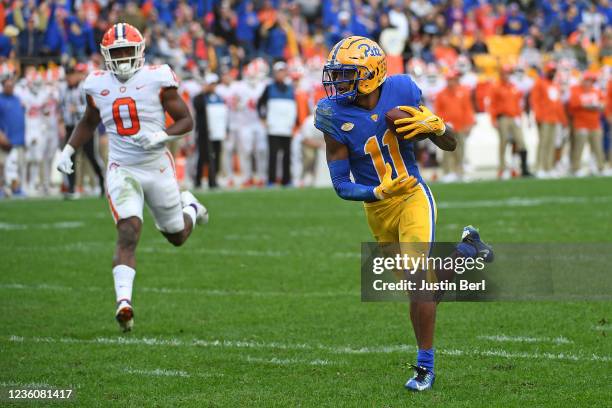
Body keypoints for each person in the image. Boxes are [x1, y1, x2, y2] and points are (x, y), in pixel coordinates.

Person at [314, 36, 493, 392]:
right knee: (423, 288)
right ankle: (468, 250)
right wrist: (376, 191)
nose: (339, 82)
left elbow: (450, 144)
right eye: (337, 74)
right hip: (377, 207)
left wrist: (437, 127)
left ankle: (425, 366)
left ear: (373, 73)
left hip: (412, 195)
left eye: (348, 74)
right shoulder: (332, 113)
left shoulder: (403, 90)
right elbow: (340, 184)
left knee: (417, 284)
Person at [56, 23, 209, 333]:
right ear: (105, 55)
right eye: (117, 52)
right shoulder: (96, 84)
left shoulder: (157, 78)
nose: (123, 57)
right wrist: (69, 149)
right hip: (122, 168)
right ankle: (123, 303)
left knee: (176, 236)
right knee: (129, 230)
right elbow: (89, 120)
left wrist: (161, 136)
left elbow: (186, 120)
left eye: (127, 51)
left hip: (157, 167)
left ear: (140, 52)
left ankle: (190, 206)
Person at [258, 61, 297, 186]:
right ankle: (271, 180)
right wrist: (263, 118)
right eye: (279, 71)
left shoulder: (291, 88)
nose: (281, 74)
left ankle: (286, 180)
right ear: (275, 73)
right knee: (273, 155)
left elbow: (293, 107)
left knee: (287, 155)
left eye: (283, 71)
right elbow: (260, 104)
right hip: (273, 127)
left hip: (287, 127)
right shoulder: (269, 88)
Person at [489, 66, 532, 178]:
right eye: (505, 73)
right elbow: (492, 105)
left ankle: (523, 168)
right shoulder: (496, 87)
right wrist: (493, 119)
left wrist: (519, 117)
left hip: (514, 118)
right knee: (504, 143)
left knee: (520, 142)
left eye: (508, 73)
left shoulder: (514, 87)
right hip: (502, 117)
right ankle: (502, 169)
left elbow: (518, 104)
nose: (506, 76)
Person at [434, 70, 475, 181]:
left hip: (460, 125)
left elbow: (467, 109)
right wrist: (441, 124)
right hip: (446, 127)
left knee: (461, 149)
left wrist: (469, 124)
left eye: (453, 80)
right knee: (446, 149)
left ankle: (460, 171)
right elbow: (438, 111)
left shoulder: (463, 92)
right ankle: (448, 172)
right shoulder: (441, 94)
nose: (452, 82)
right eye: (450, 80)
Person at [530, 62, 567, 178]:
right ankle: (540, 167)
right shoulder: (539, 83)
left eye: (554, 71)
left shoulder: (555, 85)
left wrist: (562, 119)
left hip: (554, 118)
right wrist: (538, 117)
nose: (552, 73)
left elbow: (558, 104)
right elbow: (535, 101)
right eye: (551, 71)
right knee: (543, 143)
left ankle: (549, 167)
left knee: (552, 144)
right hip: (544, 118)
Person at [568, 71, 606, 175]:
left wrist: (598, 106)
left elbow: (603, 104)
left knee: (598, 147)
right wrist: (590, 106)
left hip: (595, 124)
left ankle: (600, 167)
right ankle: (575, 168)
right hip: (581, 124)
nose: (589, 83)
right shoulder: (576, 90)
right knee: (579, 147)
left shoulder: (596, 90)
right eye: (587, 80)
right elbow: (574, 104)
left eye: (591, 81)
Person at [193, 73, 227, 189]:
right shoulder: (200, 98)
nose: (213, 87)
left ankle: (213, 180)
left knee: (216, 156)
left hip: (217, 132)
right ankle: (199, 180)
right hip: (204, 133)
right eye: (210, 84)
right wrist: (204, 92)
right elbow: (197, 106)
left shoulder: (219, 98)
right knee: (203, 157)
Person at [0, 76, 26, 196]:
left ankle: (16, 189)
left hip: (19, 140)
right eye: (8, 86)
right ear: (3, 86)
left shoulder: (17, 99)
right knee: (2, 166)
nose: (10, 88)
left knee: (16, 167)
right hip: (5, 140)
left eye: (12, 86)